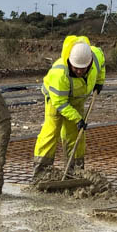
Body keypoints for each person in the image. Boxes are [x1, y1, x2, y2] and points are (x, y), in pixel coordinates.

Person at [33, 35, 106, 178]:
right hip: (56, 100)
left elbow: (102, 63)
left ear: (89, 62)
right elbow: (60, 103)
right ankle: (41, 171)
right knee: (51, 132)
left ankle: (74, 171)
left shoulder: (95, 57)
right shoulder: (60, 73)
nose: (79, 71)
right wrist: (77, 119)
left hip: (77, 100)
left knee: (75, 134)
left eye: (83, 69)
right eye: (76, 68)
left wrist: (99, 81)